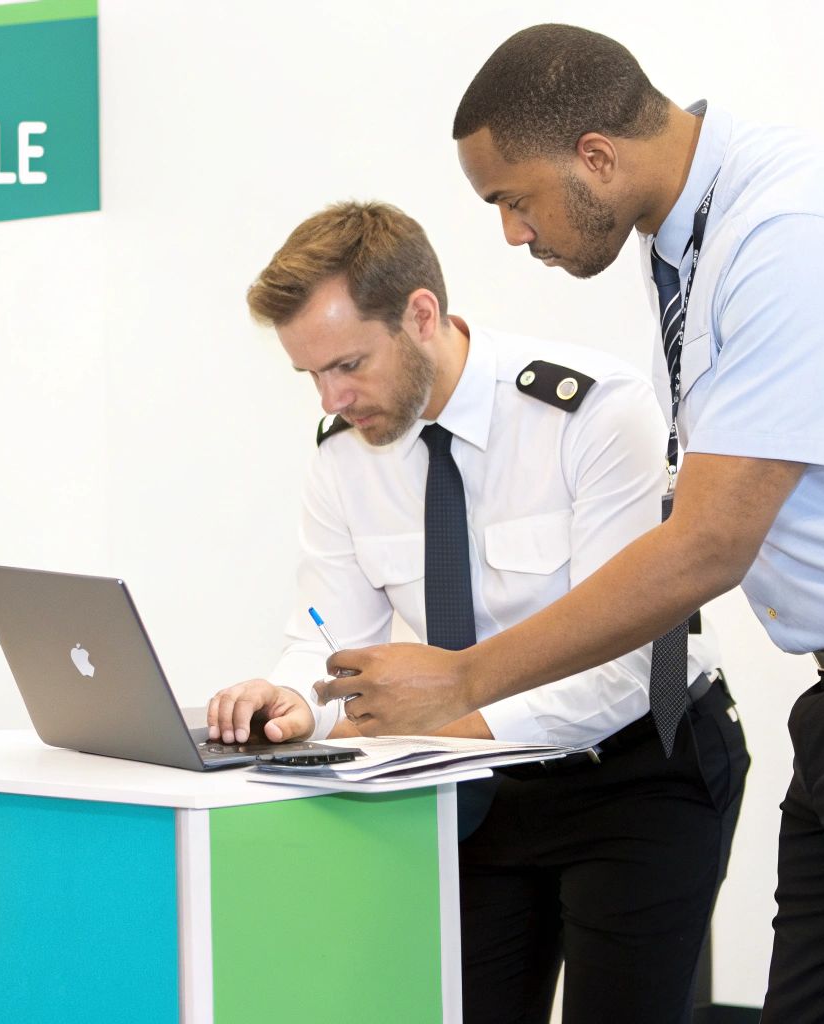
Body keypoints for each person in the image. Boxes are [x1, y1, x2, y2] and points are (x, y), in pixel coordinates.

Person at [314, 24, 824, 1024]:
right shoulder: (697, 240)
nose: (513, 236)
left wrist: (462, 677)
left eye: (513, 200)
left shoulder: (795, 231)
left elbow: (705, 543)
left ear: (596, 158)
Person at [204, 200, 748, 1024]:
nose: (333, 395)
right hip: (478, 792)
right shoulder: (343, 456)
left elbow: (632, 668)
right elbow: (328, 638)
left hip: (641, 769)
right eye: (311, 374)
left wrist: (432, 721)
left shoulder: (595, 413)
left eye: (348, 363)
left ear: (422, 314)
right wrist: (291, 703)